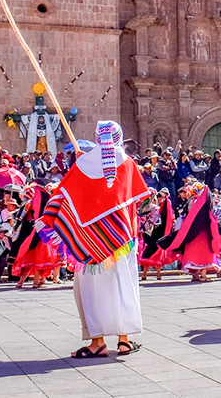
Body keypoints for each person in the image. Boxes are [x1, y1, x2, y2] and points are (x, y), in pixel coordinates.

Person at [42, 121, 151, 358]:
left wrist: (82, 167)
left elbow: (62, 196)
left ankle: (97, 342)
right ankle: (124, 340)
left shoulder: (82, 164)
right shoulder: (128, 163)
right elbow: (142, 202)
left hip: (88, 241)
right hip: (122, 241)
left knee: (92, 291)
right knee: (123, 286)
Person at [167, 183, 221, 282]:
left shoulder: (191, 201)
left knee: (193, 255)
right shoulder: (204, 203)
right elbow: (214, 215)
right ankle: (203, 276)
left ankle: (196, 275)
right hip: (204, 233)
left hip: (192, 232)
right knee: (205, 254)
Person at [12, 185, 60, 289]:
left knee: (29, 259)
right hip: (40, 232)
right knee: (40, 259)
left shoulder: (27, 203)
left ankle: (20, 282)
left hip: (30, 233)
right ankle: (36, 282)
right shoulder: (41, 203)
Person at [138, 189, 178, 281]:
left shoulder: (145, 208)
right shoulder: (157, 207)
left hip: (151, 231)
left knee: (149, 252)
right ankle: (156, 275)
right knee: (155, 252)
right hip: (156, 231)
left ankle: (146, 275)